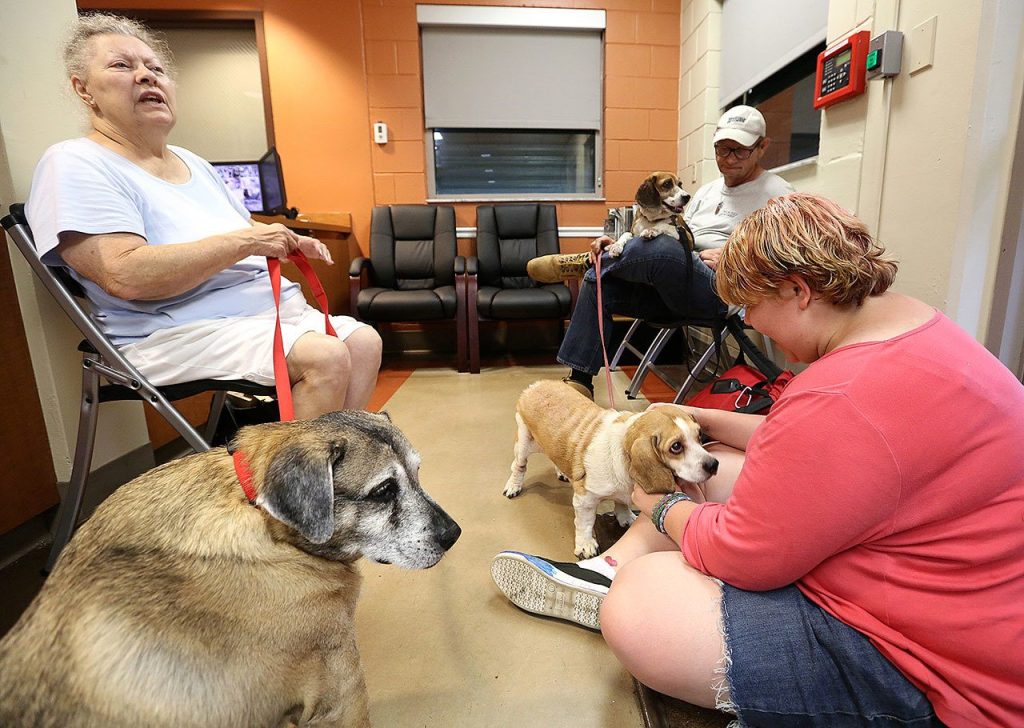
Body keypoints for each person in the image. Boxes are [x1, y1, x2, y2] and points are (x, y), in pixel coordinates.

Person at [492, 193, 1024, 727]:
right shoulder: (916, 327)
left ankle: (619, 580)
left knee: (642, 602)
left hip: (933, 670)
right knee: (716, 461)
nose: (751, 324)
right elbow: (799, 438)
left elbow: (741, 554)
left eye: (750, 308)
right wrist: (703, 417)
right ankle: (608, 567)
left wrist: (659, 505)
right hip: (974, 608)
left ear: (798, 291)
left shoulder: (840, 395)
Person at [26, 13, 382, 419]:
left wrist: (280, 235)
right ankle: (296, 481)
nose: (147, 76)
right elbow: (124, 275)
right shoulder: (75, 163)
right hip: (173, 330)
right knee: (326, 355)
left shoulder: (192, 162)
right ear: (83, 89)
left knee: (365, 341)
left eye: (155, 68)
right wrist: (247, 242)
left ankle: (331, 470)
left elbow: (241, 228)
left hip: (255, 315)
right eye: (122, 66)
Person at [527, 105, 794, 397]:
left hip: (719, 291)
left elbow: (787, 260)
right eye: (721, 149)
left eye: (739, 151)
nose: (728, 159)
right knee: (602, 281)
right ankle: (579, 383)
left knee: (663, 245)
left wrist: (736, 258)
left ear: (762, 147)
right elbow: (680, 231)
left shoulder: (779, 194)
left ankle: (591, 263)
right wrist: (621, 240)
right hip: (674, 283)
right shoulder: (707, 191)